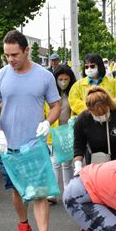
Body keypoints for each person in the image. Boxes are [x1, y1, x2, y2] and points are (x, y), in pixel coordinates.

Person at [0, 30, 61, 231]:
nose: (10, 59)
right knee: (17, 190)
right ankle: (23, 225)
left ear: (26, 50)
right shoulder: (0, 77)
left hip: (35, 145)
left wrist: (48, 122)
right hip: (9, 147)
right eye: (7, 55)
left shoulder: (45, 76)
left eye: (15, 54)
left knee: (39, 192)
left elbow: (56, 105)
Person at [73, 86, 116, 175]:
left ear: (108, 105)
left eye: (103, 113)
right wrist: (78, 166)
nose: (100, 117)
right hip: (98, 165)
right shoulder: (82, 120)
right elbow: (78, 145)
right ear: (89, 110)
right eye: (96, 114)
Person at [45, 64, 77, 204]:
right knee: (54, 162)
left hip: (68, 133)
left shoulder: (73, 94)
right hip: (52, 134)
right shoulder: (49, 95)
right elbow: (45, 112)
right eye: (60, 79)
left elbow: (76, 109)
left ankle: (68, 192)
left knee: (67, 164)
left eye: (66, 79)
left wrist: (75, 118)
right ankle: (52, 192)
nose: (63, 82)